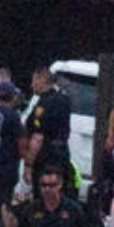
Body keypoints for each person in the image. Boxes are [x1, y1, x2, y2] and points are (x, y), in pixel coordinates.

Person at [24, 67, 73, 197]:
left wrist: (28, 165)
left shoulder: (44, 103)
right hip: (62, 157)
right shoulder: (64, 99)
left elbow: (37, 138)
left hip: (45, 159)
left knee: (42, 198)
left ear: (42, 80)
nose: (31, 85)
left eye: (34, 81)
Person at [0, 81, 24, 215]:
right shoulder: (13, 116)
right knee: (2, 206)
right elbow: (21, 141)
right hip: (6, 168)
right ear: (12, 96)